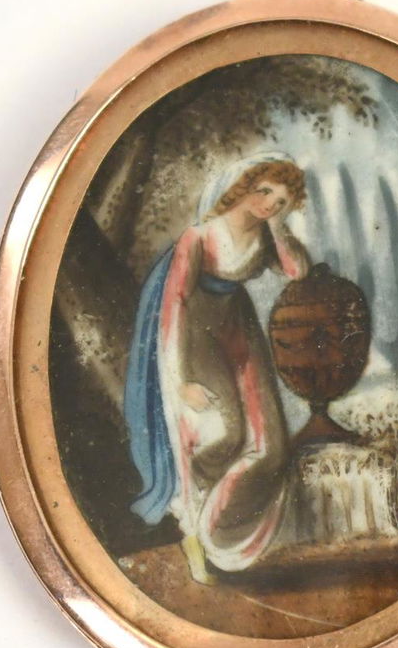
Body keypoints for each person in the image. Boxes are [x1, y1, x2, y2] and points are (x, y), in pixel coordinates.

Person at [124, 153, 312, 582]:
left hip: (238, 330)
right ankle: (190, 522)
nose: (268, 204)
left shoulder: (265, 235)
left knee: (271, 446)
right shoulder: (200, 236)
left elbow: (297, 271)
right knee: (226, 434)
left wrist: (277, 227)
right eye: (264, 191)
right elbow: (175, 305)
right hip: (196, 335)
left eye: (280, 202)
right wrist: (182, 381)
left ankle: (217, 530)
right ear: (244, 185)